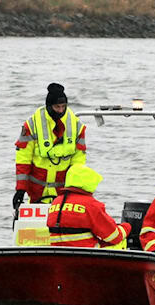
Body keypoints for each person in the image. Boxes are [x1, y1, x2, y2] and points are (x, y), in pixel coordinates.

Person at [14, 83, 87, 212]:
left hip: (63, 192)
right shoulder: (32, 125)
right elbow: (23, 159)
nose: (60, 110)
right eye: (57, 107)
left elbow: (78, 162)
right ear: (49, 106)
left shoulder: (77, 126)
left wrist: (75, 189)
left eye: (63, 106)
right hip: (37, 191)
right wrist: (21, 189)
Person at [46, 163, 130, 249]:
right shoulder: (91, 205)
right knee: (121, 242)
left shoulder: (56, 202)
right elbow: (114, 237)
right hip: (87, 252)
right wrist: (127, 227)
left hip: (57, 252)